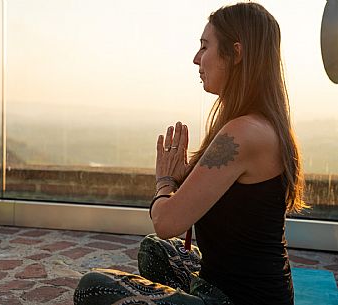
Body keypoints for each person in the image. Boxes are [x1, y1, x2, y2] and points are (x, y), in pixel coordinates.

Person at [74, 2, 306, 305]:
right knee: (155, 250)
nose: (196, 58)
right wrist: (187, 180)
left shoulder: (244, 132)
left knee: (93, 287)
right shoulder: (259, 124)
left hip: (239, 300)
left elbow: (167, 223)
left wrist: (165, 182)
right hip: (232, 285)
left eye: (205, 46)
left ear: (236, 54)